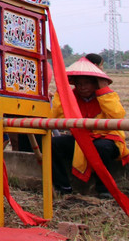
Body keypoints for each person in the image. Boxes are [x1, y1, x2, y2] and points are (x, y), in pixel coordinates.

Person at [50, 58, 129, 197]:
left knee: (101, 147)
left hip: (107, 139)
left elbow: (117, 114)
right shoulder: (72, 96)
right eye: (79, 84)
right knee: (53, 144)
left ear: (95, 83)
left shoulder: (107, 95)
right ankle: (63, 186)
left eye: (86, 83)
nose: (82, 87)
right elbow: (57, 116)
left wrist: (103, 91)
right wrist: (61, 93)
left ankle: (104, 189)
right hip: (81, 139)